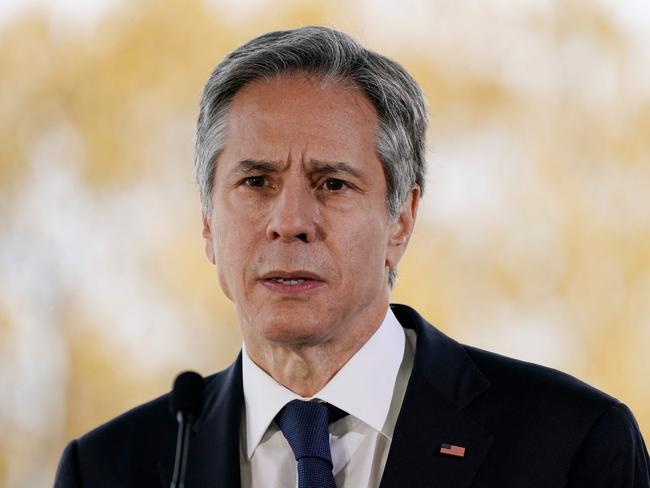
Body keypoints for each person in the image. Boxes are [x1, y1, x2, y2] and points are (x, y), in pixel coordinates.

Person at [55, 26, 649, 488]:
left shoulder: (571, 443)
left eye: (332, 184)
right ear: (208, 221)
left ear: (402, 219)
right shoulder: (109, 467)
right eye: (256, 181)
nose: (290, 223)